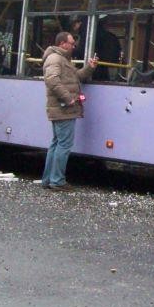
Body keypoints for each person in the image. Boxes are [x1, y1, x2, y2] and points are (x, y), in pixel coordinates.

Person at [41, 30, 97, 191]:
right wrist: (68, 98)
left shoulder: (62, 59)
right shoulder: (56, 59)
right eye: (72, 43)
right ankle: (57, 180)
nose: (74, 46)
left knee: (56, 144)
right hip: (63, 108)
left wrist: (89, 68)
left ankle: (48, 179)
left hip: (61, 108)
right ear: (62, 43)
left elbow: (75, 77)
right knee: (64, 145)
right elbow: (52, 80)